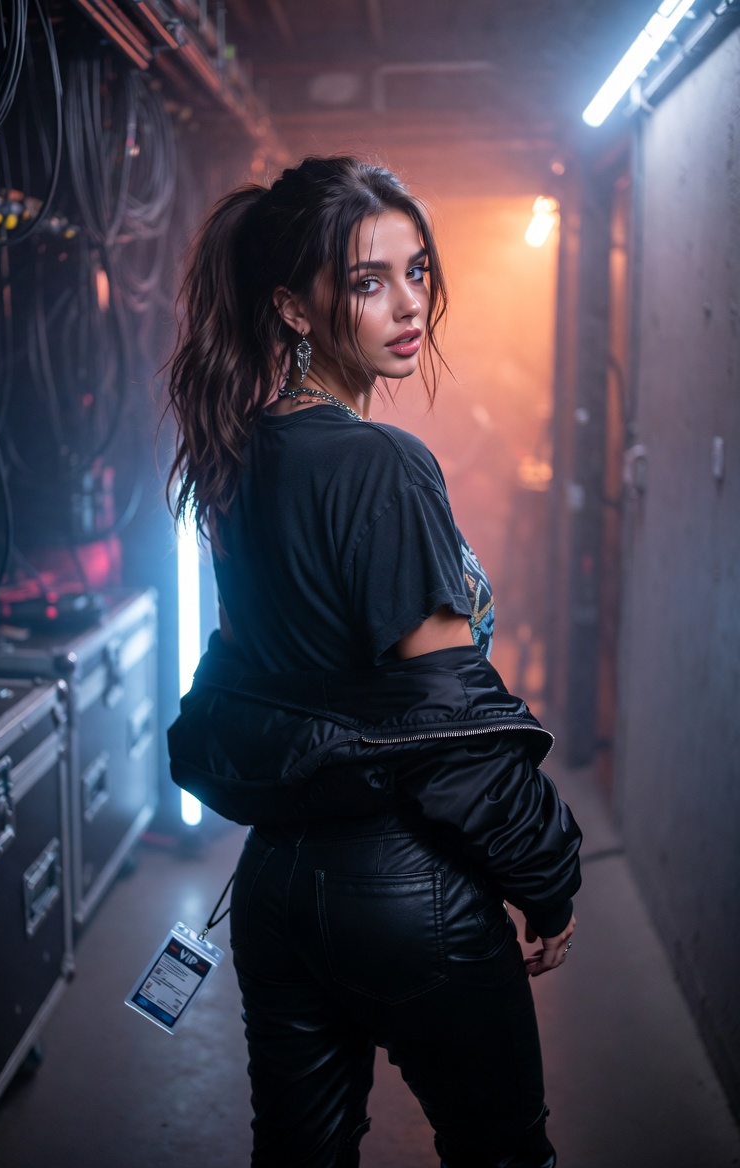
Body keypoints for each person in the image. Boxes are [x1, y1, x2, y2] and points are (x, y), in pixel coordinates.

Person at [166, 156, 582, 1168]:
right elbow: (450, 726)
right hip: (409, 891)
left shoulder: (238, 450)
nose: (406, 304)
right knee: (503, 1153)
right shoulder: (383, 466)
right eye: (366, 281)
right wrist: (549, 873)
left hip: (275, 890)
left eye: (416, 271)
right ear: (293, 309)